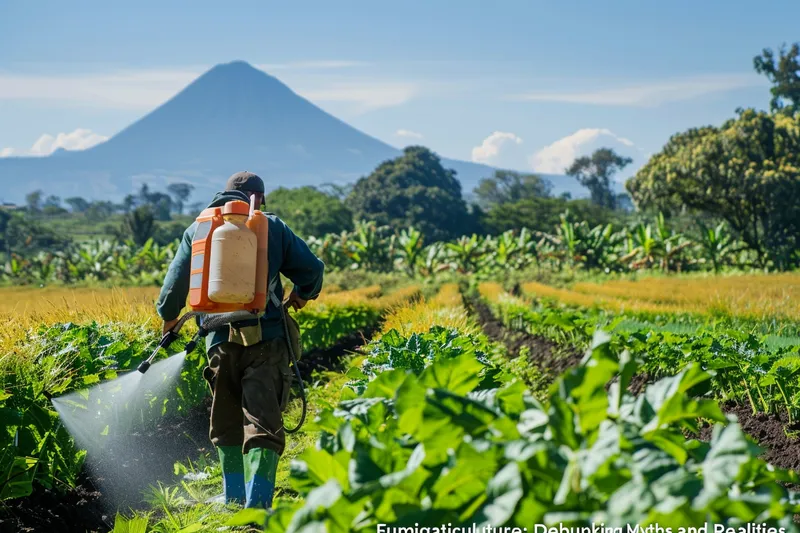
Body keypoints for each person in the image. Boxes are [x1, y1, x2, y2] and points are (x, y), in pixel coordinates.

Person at [155, 171, 324, 509]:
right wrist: (304, 295)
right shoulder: (270, 226)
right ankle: (258, 503)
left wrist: (169, 318)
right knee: (263, 420)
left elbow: (173, 289)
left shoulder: (198, 229)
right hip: (268, 339)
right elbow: (312, 270)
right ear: (257, 198)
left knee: (227, 418)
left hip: (218, 342)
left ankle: (233, 498)